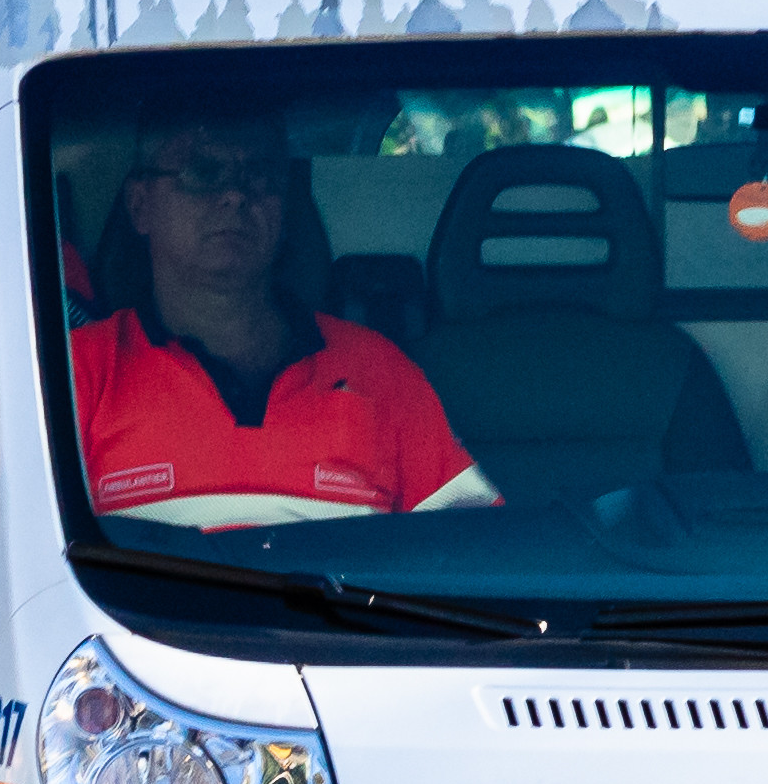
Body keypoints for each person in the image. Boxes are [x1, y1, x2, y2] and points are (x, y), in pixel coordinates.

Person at [66, 108, 493, 526]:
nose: (235, 195)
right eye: (202, 173)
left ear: (284, 206)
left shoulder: (377, 370)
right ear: (140, 205)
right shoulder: (74, 374)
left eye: (260, 174)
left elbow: (471, 557)